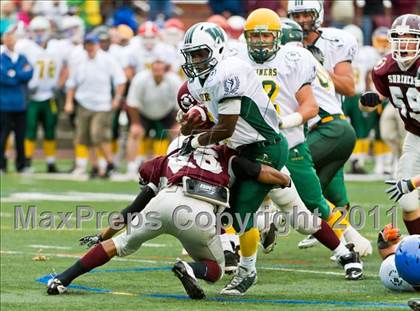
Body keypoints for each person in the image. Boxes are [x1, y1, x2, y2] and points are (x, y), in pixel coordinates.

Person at [47, 135, 291, 299]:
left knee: (119, 245)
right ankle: (189, 268)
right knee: (216, 270)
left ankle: (62, 278)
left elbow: (133, 209)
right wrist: (285, 180)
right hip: (199, 214)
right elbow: (258, 172)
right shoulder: (229, 157)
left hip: (162, 204)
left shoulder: (167, 159)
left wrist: (103, 235)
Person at [179, 21, 289, 295]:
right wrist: (196, 118)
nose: (195, 60)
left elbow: (227, 126)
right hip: (240, 148)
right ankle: (265, 223)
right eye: (191, 55)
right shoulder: (198, 80)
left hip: (266, 144)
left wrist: (193, 140)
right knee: (224, 209)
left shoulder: (230, 70)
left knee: (240, 213)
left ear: (217, 48)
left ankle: (247, 271)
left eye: (201, 53)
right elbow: (214, 114)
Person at [360, 14, 420, 236]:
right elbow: (371, 102)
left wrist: (413, 182)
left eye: (410, 38)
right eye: (399, 38)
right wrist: (368, 100)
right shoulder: (385, 67)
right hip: (415, 135)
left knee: (408, 187)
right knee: (407, 202)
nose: (404, 43)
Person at [65, 33, 126, 178]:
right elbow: (71, 84)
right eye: (87, 44)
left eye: (92, 44)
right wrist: (69, 102)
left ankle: (110, 163)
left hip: (102, 104)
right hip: (84, 103)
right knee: (86, 138)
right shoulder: (79, 61)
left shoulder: (107, 59)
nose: (90, 47)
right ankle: (95, 167)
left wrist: (116, 98)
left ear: (97, 45)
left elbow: (120, 80)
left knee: (97, 135)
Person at [113, 55, 182, 181]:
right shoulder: (140, 79)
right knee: (135, 133)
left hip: (166, 113)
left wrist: (176, 123)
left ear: (165, 69)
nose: (157, 72)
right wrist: (135, 123)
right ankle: (131, 167)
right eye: (155, 68)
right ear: (151, 68)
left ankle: (177, 167)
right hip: (143, 112)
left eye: (160, 68)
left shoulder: (174, 80)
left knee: (178, 133)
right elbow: (132, 103)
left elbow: (180, 104)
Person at [16, 16, 65, 173]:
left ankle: (51, 163)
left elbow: (69, 65)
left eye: (42, 30)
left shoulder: (57, 47)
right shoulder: (25, 46)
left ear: (48, 31)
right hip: (32, 97)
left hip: (50, 96)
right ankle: (27, 161)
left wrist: (60, 84)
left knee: (50, 130)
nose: (39, 34)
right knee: (30, 130)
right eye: (36, 31)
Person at [0, 26, 33, 173]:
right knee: (3, 136)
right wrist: (16, 75)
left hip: (20, 104)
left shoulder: (22, 57)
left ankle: (21, 165)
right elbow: (3, 77)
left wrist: (13, 74)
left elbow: (28, 74)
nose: (10, 40)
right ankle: (2, 164)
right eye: (7, 37)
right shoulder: (2, 58)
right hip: (4, 104)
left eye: (12, 37)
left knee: (20, 136)